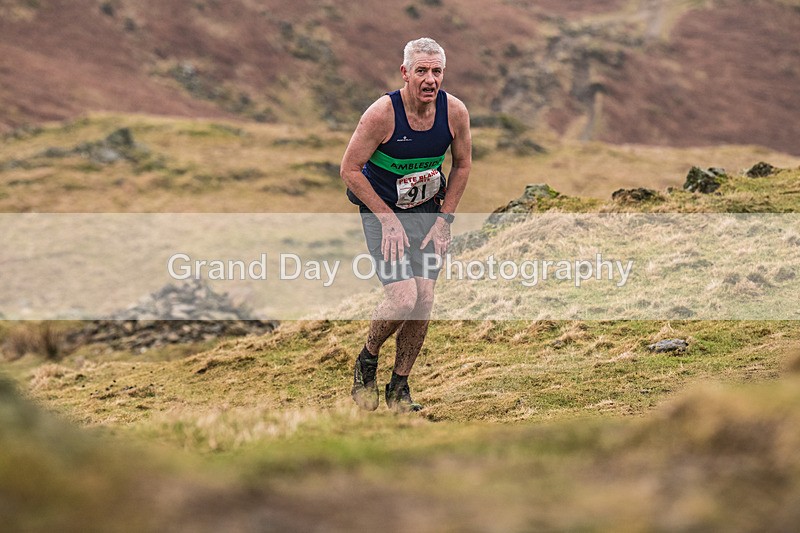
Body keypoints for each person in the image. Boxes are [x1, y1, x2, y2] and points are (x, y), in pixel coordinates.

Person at [340, 37, 472, 412]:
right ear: (405, 73)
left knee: (425, 299)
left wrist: (445, 219)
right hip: (382, 213)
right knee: (403, 298)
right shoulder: (382, 114)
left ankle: (399, 387)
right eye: (421, 71)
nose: (430, 80)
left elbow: (462, 165)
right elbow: (348, 170)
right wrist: (388, 220)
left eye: (436, 71)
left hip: (429, 213)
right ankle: (367, 358)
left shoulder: (454, 112)